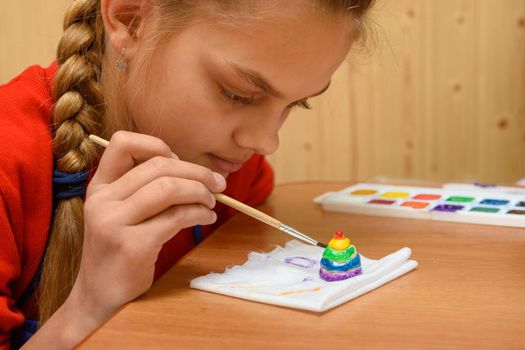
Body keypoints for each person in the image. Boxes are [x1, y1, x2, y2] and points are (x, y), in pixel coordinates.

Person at [0, 0, 375, 348]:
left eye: (298, 103)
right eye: (237, 94)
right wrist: (88, 306)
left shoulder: (234, 174)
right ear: (131, 20)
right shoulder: (11, 159)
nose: (265, 141)